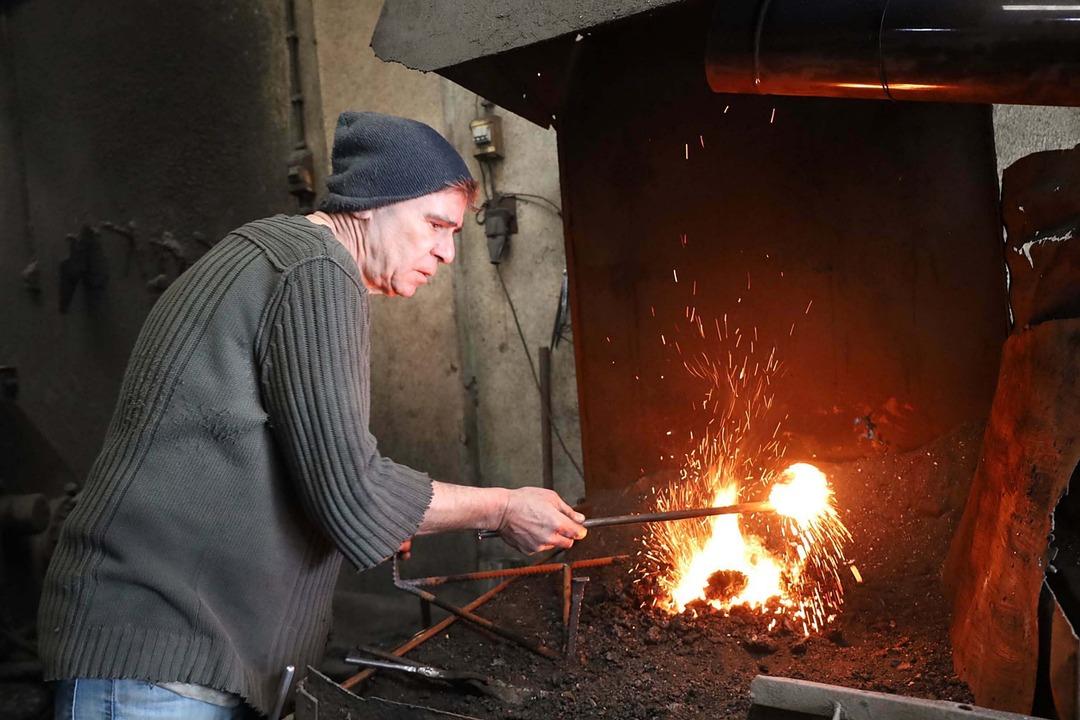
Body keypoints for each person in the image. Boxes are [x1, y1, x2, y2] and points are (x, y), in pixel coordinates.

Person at [39, 111, 587, 719]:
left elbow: (275, 460)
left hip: (162, 655)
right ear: (370, 203)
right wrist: (503, 507)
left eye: (455, 232)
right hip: (157, 659)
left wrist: (379, 512)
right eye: (435, 224)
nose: (447, 252)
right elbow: (353, 492)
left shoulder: (270, 253)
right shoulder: (316, 270)